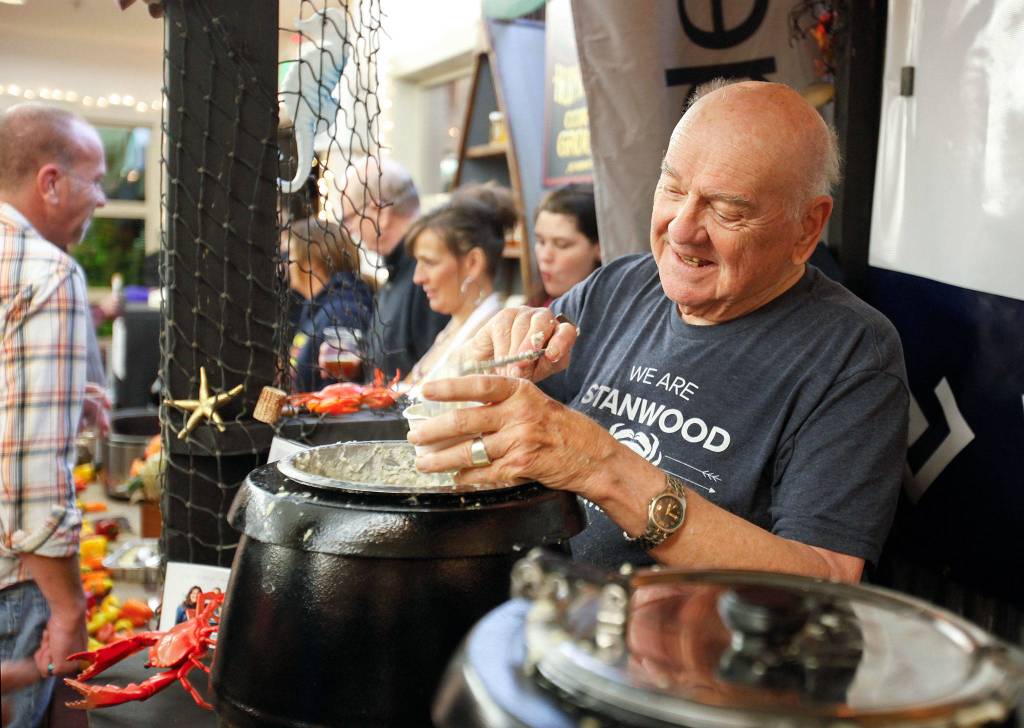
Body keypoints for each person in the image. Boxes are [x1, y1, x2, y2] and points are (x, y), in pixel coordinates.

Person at [408, 81, 909, 583]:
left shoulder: (853, 352)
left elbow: (826, 580)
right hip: (530, 594)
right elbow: (481, 436)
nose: (681, 229)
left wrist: (604, 468)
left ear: (807, 227)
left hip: (670, 630)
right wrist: (488, 367)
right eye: (672, 189)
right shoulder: (620, 285)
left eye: (727, 210)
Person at [1, 104, 106, 727]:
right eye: (94, 180)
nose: (101, 198)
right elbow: (31, 472)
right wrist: (68, 609)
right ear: (50, 182)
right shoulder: (47, 272)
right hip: (13, 587)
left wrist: (62, 401)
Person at [338, 157, 448, 380]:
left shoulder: (427, 276)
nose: (349, 231)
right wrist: (360, 363)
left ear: (380, 211)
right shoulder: (397, 271)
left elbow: (436, 376)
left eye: (349, 219)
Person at [405, 185, 516, 386]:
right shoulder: (454, 327)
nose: (417, 278)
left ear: (473, 263)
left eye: (429, 262)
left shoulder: (491, 342)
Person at [282, 217, 373, 392]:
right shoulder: (317, 309)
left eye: (290, 254)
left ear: (312, 261)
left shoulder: (342, 311)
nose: (285, 263)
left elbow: (340, 392)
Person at [529, 183, 601, 307]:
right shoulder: (533, 308)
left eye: (562, 245)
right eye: (541, 241)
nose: (545, 256)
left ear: (599, 248)